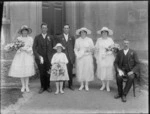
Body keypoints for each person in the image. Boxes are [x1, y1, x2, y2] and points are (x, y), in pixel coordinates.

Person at [8, 25, 35, 92]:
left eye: (26, 31)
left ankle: (27, 86)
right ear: (21, 32)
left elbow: (32, 47)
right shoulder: (19, 39)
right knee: (21, 70)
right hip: (20, 56)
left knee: (27, 71)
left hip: (27, 55)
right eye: (23, 31)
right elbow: (16, 47)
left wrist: (27, 49)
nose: (24, 32)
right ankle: (23, 86)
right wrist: (20, 48)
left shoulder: (30, 39)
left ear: (27, 32)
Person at [33, 23, 55, 94]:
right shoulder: (37, 37)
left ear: (47, 29)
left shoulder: (51, 37)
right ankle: (42, 87)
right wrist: (38, 56)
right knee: (42, 72)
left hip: (49, 58)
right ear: (41, 29)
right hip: (40, 58)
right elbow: (34, 48)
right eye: (43, 28)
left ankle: (48, 86)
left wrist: (52, 57)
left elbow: (54, 48)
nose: (44, 29)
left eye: (45, 28)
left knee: (48, 72)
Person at [94, 27, 115, 92]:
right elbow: (96, 49)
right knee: (102, 70)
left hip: (108, 57)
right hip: (101, 57)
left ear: (107, 33)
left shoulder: (110, 40)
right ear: (101, 33)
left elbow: (113, 48)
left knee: (108, 71)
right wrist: (97, 56)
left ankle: (107, 85)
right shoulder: (99, 40)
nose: (104, 33)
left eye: (105, 32)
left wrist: (110, 51)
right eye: (103, 32)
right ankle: (103, 84)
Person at [56, 24, 75, 90]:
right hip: (62, 57)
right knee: (62, 71)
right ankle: (62, 85)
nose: (66, 29)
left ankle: (70, 85)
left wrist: (73, 57)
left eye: (67, 28)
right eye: (65, 28)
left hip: (70, 57)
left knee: (70, 71)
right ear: (63, 29)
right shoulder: (59, 37)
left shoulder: (72, 37)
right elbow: (58, 47)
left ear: (69, 29)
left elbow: (73, 47)